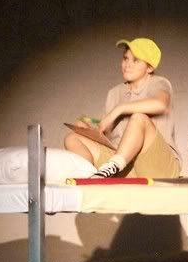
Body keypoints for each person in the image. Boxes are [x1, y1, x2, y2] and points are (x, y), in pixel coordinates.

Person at [64, 37, 181, 178]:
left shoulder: (159, 83)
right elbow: (107, 135)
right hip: (126, 166)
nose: (127, 65)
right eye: (125, 58)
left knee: (139, 118)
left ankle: (112, 166)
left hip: (158, 165)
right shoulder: (114, 93)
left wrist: (119, 109)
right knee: (73, 138)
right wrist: (90, 129)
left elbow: (160, 104)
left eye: (135, 60)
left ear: (149, 68)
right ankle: (89, 178)